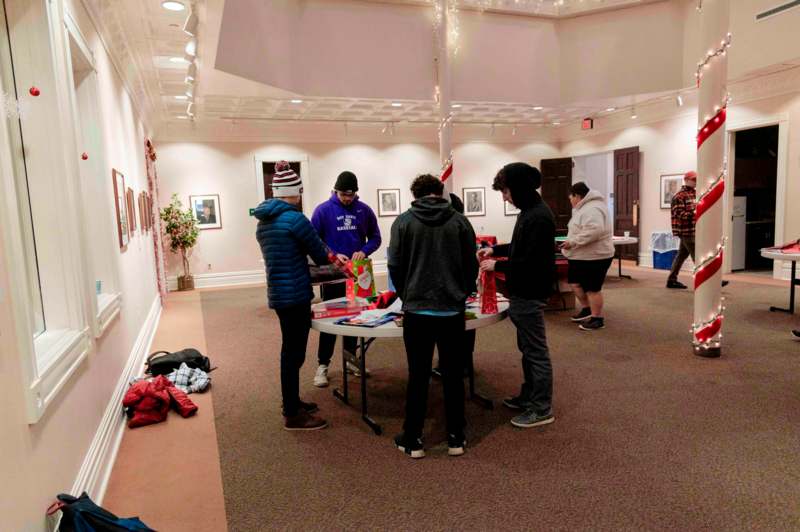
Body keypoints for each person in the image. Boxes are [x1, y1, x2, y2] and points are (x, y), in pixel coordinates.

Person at [254, 161, 348, 431]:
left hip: (278, 293)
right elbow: (319, 254)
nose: (301, 194)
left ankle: (292, 402)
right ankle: (292, 413)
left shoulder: (264, 221)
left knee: (289, 350)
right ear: (292, 191)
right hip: (295, 293)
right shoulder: (295, 219)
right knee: (293, 353)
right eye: (299, 190)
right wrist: (334, 257)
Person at [388, 174, 478, 458]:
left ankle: (413, 439)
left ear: (414, 195)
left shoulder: (402, 222)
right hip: (451, 310)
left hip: (417, 311)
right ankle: (456, 437)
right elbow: (470, 265)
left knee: (418, 375)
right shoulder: (460, 221)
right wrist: (461, 293)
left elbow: (395, 265)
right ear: (441, 192)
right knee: (452, 375)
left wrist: (407, 295)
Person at [478, 162, 555, 429]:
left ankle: (541, 408)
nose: (505, 197)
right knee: (527, 349)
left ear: (519, 188)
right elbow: (520, 247)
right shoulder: (530, 212)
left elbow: (530, 261)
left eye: (506, 192)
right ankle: (529, 395)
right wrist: (495, 249)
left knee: (535, 351)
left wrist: (497, 265)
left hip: (530, 290)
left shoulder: (538, 216)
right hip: (524, 290)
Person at [310, 171, 382, 387]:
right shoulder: (323, 210)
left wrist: (364, 250)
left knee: (355, 319)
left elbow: (376, 237)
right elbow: (313, 242)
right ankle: (323, 365)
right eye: (343, 194)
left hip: (358, 275)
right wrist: (331, 255)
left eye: (351, 195)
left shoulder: (364, 210)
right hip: (333, 275)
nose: (347, 199)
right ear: (335, 190)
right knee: (330, 321)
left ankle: (351, 360)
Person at [432, 193, 475, 379]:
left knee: (453, 333)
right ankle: (462, 364)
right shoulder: (461, 225)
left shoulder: (454, 225)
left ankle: (455, 365)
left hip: (452, 291)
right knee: (463, 330)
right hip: (461, 289)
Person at [560, 182, 614, 331]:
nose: (570, 200)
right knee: (575, 282)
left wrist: (573, 242)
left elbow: (594, 231)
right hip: (582, 255)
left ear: (577, 195)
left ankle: (597, 319)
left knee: (592, 288)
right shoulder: (585, 207)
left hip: (595, 256)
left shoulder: (593, 208)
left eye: (570, 197)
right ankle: (587, 308)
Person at [667, 171, 730, 289]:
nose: (696, 181)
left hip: (694, 230)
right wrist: (697, 212)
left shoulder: (696, 194)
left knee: (681, 256)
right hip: (686, 231)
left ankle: (671, 280)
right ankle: (712, 281)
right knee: (699, 257)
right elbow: (680, 215)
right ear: (686, 180)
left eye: (696, 179)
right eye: (693, 179)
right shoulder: (679, 196)